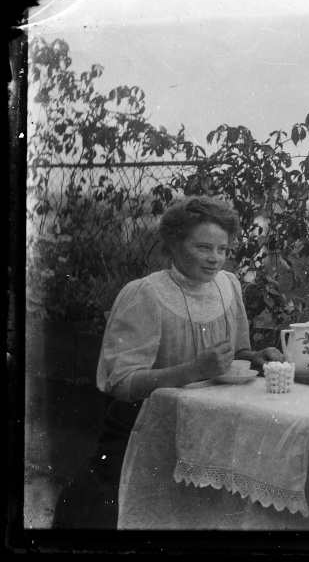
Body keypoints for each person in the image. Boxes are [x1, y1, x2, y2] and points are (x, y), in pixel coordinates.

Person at [52, 196, 283, 529]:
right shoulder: (145, 294)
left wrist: (254, 357)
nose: (215, 259)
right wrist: (191, 371)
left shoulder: (229, 286)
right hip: (142, 429)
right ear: (174, 245)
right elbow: (121, 384)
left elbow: (235, 354)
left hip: (208, 426)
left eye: (223, 249)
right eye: (203, 248)